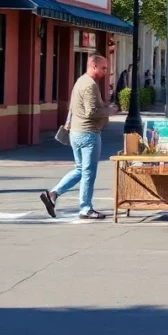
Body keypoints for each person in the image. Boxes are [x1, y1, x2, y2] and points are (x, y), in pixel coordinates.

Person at [40, 55, 118, 220]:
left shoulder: (80, 81)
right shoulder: (90, 85)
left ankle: (52, 194)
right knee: (89, 172)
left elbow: (74, 108)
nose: (106, 71)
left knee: (80, 169)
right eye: (103, 68)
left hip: (76, 132)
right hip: (88, 133)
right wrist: (109, 111)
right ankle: (85, 208)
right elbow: (91, 112)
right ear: (94, 65)